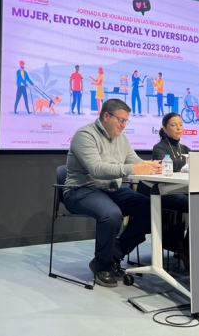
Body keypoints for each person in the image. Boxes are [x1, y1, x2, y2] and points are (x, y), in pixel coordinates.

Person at [64, 99, 162, 287]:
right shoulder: (85, 135)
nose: (123, 125)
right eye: (121, 120)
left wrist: (152, 166)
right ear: (106, 116)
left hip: (111, 189)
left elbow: (134, 161)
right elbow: (96, 169)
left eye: (126, 121)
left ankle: (113, 255)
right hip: (81, 190)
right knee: (112, 215)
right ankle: (103, 266)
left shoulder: (121, 138)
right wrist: (134, 168)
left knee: (151, 210)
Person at [150, 113, 190, 267]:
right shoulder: (159, 147)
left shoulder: (185, 148)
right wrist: (183, 164)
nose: (178, 127)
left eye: (180, 124)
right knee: (195, 205)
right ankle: (184, 249)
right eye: (173, 125)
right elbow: (166, 166)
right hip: (165, 192)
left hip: (183, 190)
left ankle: (185, 247)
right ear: (165, 129)